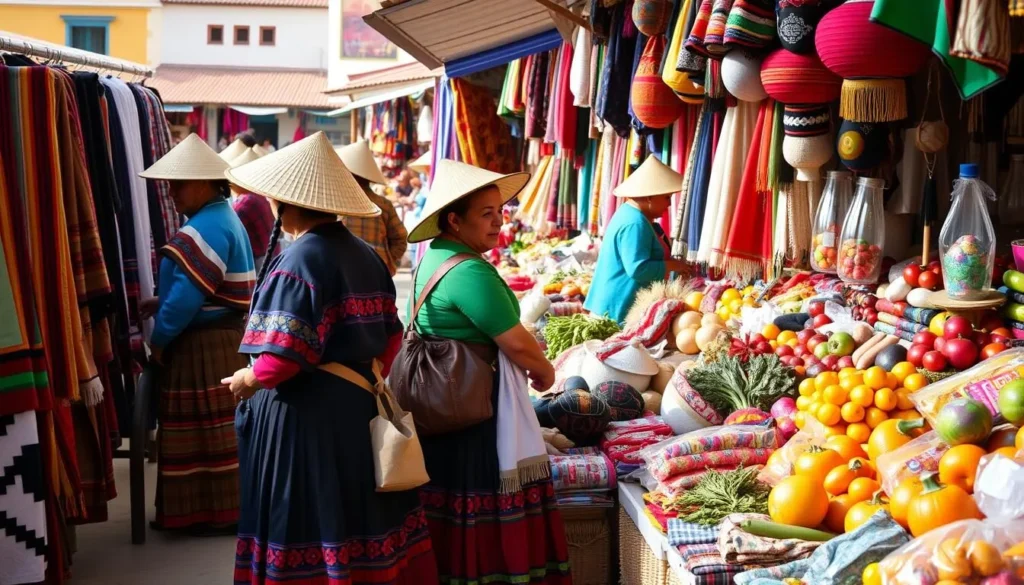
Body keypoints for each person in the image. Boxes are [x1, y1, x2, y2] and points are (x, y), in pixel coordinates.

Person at [221, 132, 438, 585]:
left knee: (309, 519)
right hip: (357, 409)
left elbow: (283, 358)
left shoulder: (300, 259)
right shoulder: (365, 255)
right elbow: (391, 338)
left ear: (286, 202)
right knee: (361, 520)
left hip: (307, 420)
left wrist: (248, 379)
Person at [405, 159, 571, 585]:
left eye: (501, 211)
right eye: (486, 214)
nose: (499, 222)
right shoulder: (469, 271)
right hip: (472, 418)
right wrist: (545, 373)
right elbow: (515, 341)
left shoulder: (434, 257)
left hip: (448, 410)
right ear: (454, 220)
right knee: (481, 523)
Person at [137, 133, 256, 533]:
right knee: (219, 435)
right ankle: (223, 512)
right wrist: (164, 300)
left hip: (201, 347)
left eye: (179, 183)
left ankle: (201, 516)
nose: (171, 192)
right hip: (224, 341)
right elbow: (201, 289)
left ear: (206, 182)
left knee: (201, 434)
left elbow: (185, 303)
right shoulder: (224, 218)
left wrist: (158, 341)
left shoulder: (201, 230)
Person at [584, 155, 690, 324]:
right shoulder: (635, 223)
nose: (669, 204)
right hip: (614, 312)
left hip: (611, 307)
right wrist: (676, 265)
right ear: (649, 197)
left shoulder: (630, 214)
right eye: (666, 197)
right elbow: (638, 269)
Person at [336, 140, 408, 276]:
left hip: (343, 272)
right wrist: (386, 261)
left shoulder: (336, 204)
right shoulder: (384, 205)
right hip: (377, 273)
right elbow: (401, 238)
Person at [228, 148, 277, 273]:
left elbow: (229, 235)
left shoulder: (245, 202)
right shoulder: (256, 194)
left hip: (261, 261)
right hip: (271, 253)